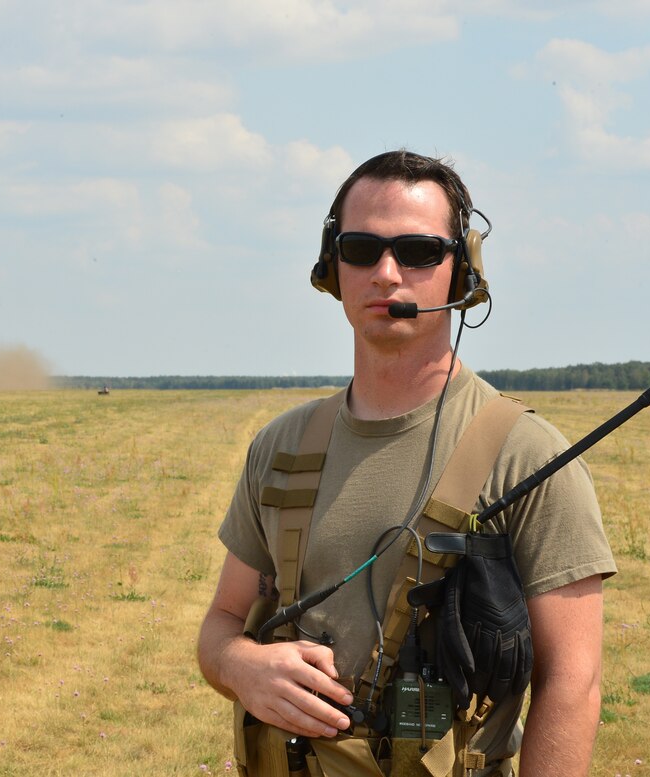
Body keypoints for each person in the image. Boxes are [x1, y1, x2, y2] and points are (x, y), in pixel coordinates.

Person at [197, 150, 616, 776]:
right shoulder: (281, 447)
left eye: (419, 252)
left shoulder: (529, 457)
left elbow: (572, 685)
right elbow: (223, 622)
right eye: (360, 248)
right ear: (332, 265)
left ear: (463, 272)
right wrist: (239, 665)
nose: (386, 274)